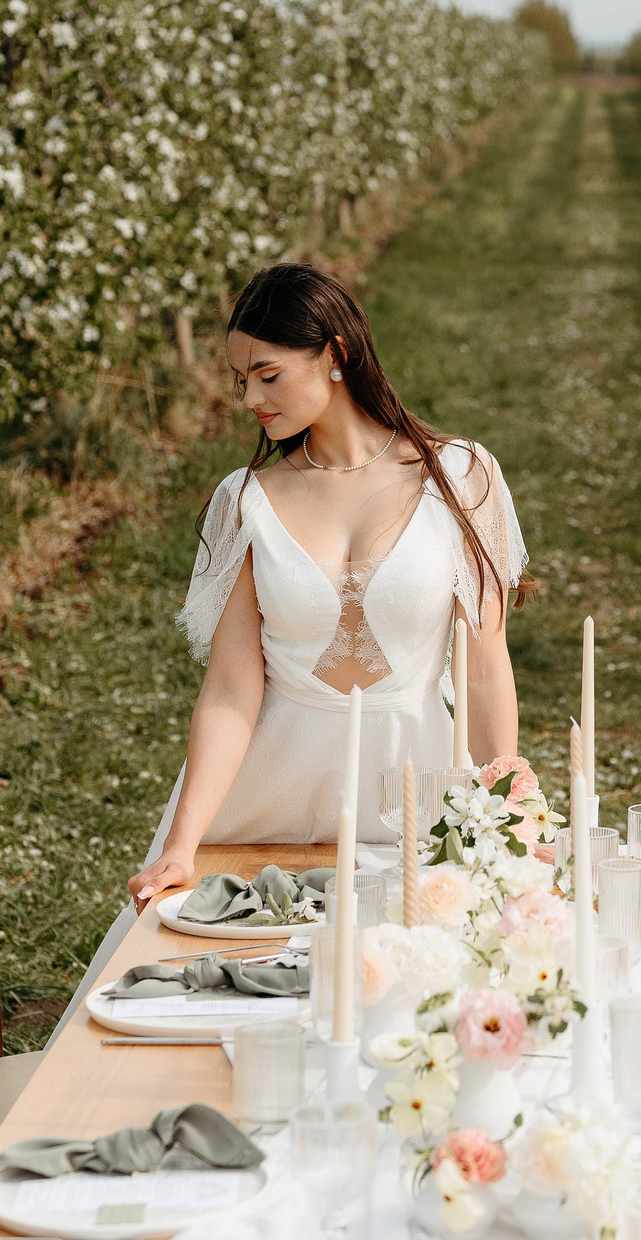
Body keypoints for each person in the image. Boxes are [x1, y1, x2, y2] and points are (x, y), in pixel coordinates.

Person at [125, 262, 525, 910]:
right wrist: (182, 843)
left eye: (269, 374)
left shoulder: (460, 477)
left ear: (335, 353)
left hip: (413, 792)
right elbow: (229, 690)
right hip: (264, 804)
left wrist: (504, 814)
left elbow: (483, 670)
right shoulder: (245, 501)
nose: (250, 397)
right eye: (241, 379)